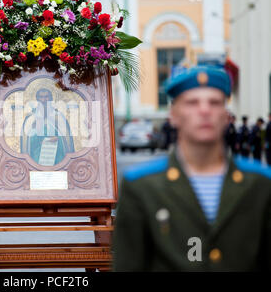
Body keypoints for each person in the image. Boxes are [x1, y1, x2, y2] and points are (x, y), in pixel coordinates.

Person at [113, 66, 271, 271]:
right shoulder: (142, 186)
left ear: (226, 115)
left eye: (215, 103)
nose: (204, 110)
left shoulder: (259, 184)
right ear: (173, 115)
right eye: (192, 103)